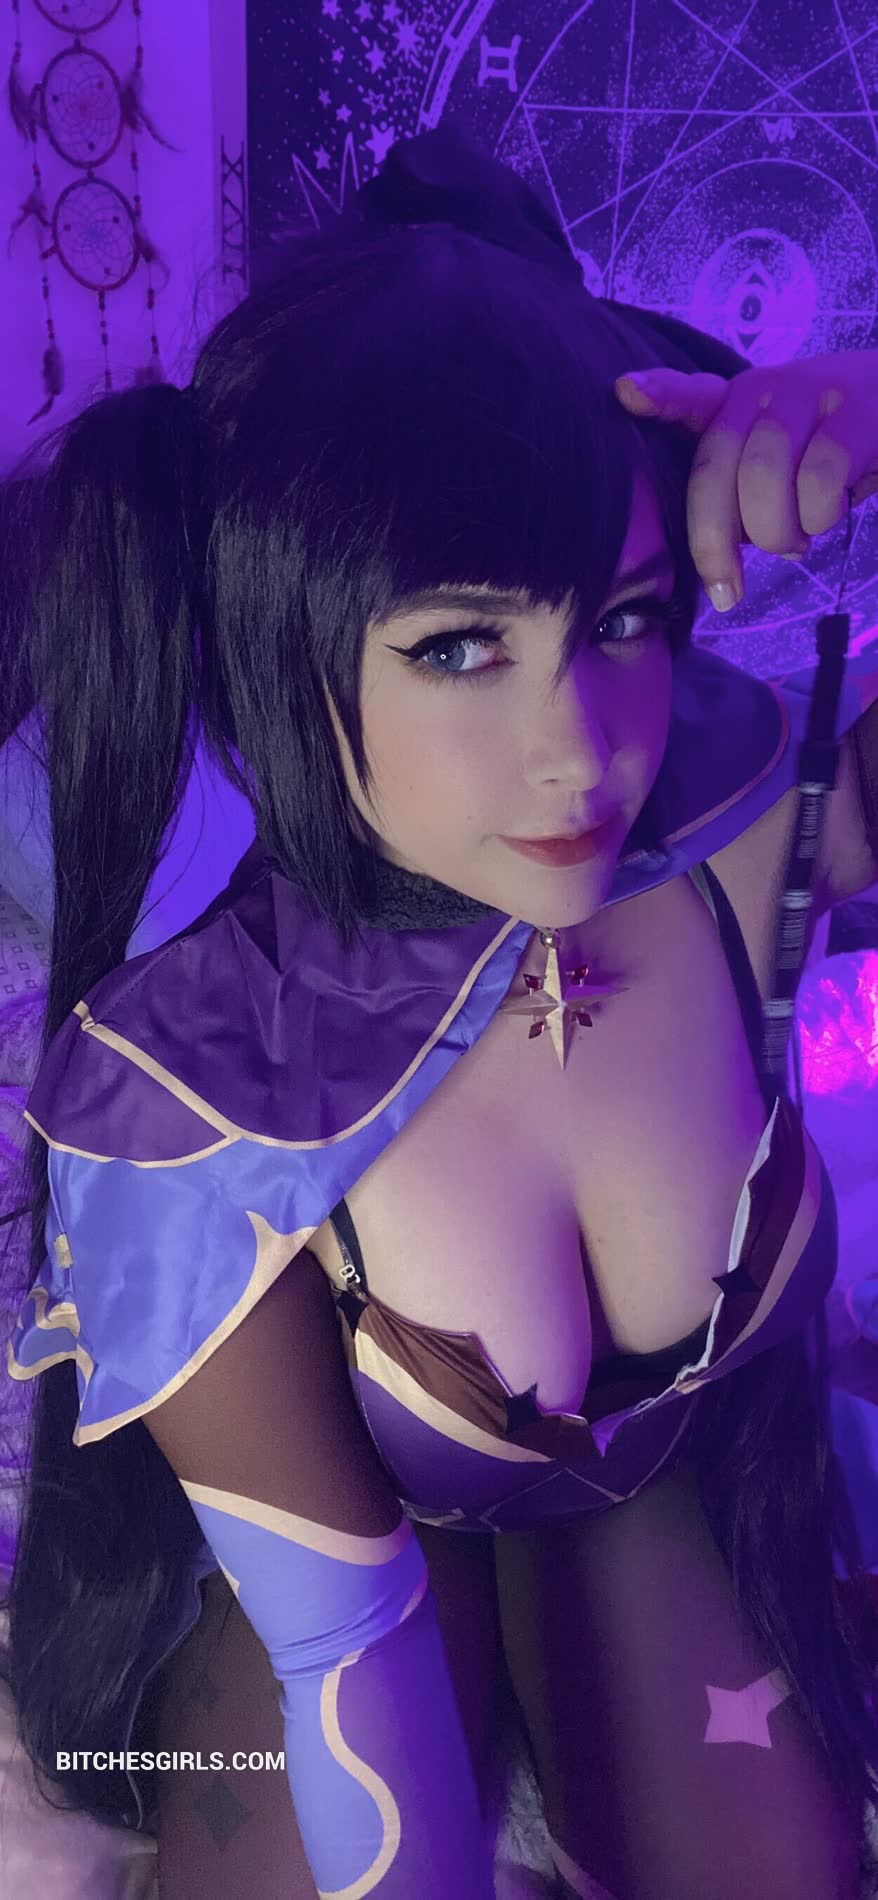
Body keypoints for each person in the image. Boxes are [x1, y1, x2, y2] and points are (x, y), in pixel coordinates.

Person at [1, 121, 878, 1899]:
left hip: (671, 1484)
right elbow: (350, 1652)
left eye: (621, 623)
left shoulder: (742, 822)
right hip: (349, 1551)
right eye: (458, 647)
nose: (579, 754)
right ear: (282, 649)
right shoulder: (191, 1098)